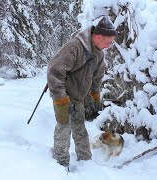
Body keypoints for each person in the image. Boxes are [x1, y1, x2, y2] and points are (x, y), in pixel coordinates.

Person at [47, 16, 117, 168]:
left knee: (79, 127)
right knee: (64, 127)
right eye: (109, 42)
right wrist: (60, 98)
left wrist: (95, 96)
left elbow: (97, 77)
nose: (109, 45)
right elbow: (54, 71)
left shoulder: (99, 53)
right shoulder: (75, 46)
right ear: (99, 36)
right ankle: (61, 163)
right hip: (63, 94)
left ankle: (85, 161)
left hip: (79, 97)